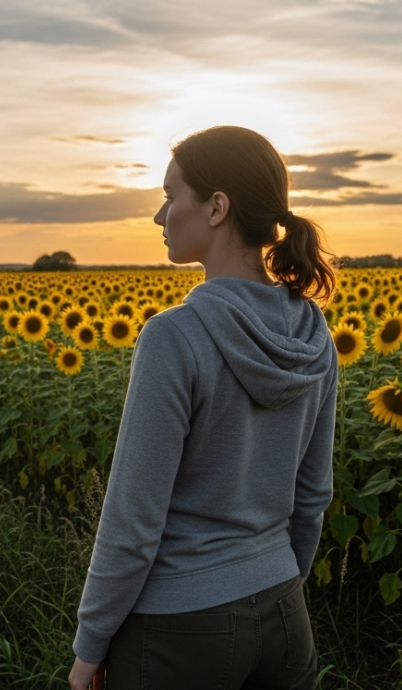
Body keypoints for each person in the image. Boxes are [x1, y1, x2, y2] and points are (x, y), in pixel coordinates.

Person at [68, 126, 339, 690]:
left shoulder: (175, 336)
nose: (159, 216)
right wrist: (276, 577)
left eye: (171, 196)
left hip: (179, 631)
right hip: (287, 617)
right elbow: (313, 495)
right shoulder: (315, 335)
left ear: (217, 207)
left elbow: (133, 518)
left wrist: (90, 645)